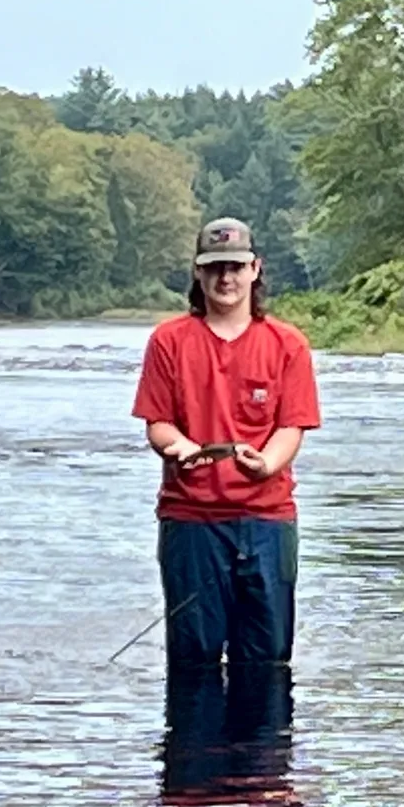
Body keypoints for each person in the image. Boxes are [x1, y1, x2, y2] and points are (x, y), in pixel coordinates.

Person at [132, 218, 321, 670]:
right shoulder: (168, 341)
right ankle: (194, 742)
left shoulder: (288, 344)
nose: (226, 278)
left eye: (235, 266)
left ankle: (264, 743)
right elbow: (158, 423)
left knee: (268, 659)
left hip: (268, 521)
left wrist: (267, 463)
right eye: (214, 267)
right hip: (191, 520)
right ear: (198, 273)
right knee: (193, 659)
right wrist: (179, 447)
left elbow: (291, 426)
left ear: (256, 269)